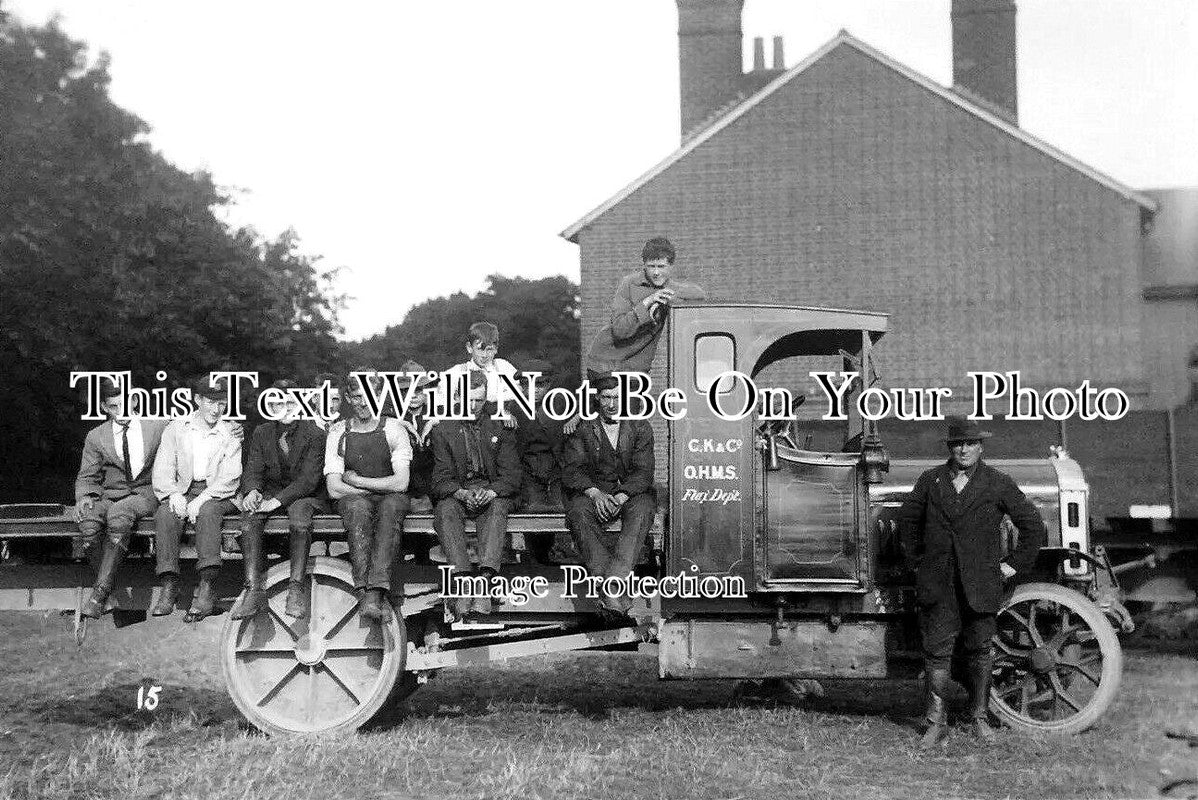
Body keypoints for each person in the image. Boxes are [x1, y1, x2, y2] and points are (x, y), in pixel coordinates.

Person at [897, 416, 1046, 748]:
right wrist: (918, 564)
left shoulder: (996, 482)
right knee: (937, 655)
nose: (963, 450)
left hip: (981, 585)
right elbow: (907, 522)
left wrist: (1012, 567)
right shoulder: (931, 481)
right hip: (939, 586)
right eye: (957, 444)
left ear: (981, 447)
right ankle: (936, 723)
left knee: (980, 652)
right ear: (950, 448)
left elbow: (1033, 525)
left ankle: (978, 717)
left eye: (970, 444)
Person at [230, 380, 328, 620]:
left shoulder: (315, 434)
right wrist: (253, 490)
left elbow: (309, 480)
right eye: (277, 403)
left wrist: (274, 502)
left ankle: (296, 588)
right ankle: (253, 590)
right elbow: (253, 468)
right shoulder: (262, 432)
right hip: (272, 492)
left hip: (307, 495)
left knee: (299, 519)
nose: (284, 408)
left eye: (291, 402)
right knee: (250, 516)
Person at [430, 370, 522, 618]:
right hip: (460, 492)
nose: (473, 406)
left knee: (498, 508)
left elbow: (512, 476)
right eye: (468, 400)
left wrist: (491, 492)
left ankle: (484, 580)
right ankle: (462, 582)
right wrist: (460, 493)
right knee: (445, 509)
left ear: (485, 399)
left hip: (492, 492)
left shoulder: (500, 426)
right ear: (458, 396)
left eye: (479, 401)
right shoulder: (444, 429)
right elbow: (440, 479)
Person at [561, 374, 656, 615]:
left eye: (616, 398)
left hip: (630, 494)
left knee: (644, 508)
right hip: (594, 491)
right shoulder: (582, 428)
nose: (612, 404)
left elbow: (644, 472)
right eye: (606, 398)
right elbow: (573, 470)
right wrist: (594, 493)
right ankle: (611, 586)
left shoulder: (640, 427)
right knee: (578, 511)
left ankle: (613, 582)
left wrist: (623, 495)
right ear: (597, 398)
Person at [73, 379, 168, 618]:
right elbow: (87, 476)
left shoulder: (158, 427)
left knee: (119, 514)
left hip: (145, 494)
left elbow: (192, 430)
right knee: (88, 520)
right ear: (105, 408)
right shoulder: (96, 436)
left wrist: (231, 428)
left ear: (135, 401)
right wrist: (85, 496)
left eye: (125, 404)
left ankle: (100, 593)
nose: (121, 411)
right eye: (114, 407)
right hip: (110, 495)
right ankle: (110, 595)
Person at [150, 376, 242, 621]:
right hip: (184, 488)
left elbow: (231, 477)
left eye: (221, 403)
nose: (216, 409)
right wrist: (173, 494)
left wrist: (201, 500)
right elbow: (163, 468)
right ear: (197, 399)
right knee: (166, 514)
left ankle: (207, 587)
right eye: (211, 402)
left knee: (209, 512)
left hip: (219, 493)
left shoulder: (230, 432)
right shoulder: (177, 429)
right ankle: (169, 584)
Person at [325, 373, 412, 623]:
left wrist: (359, 481)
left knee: (392, 506)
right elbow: (334, 487)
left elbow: (401, 482)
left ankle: (375, 591)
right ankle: (365, 591)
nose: (364, 404)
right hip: (354, 498)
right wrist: (372, 489)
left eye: (371, 398)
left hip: (387, 498)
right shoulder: (339, 432)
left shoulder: (393, 429)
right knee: (357, 507)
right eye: (358, 397)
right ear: (349, 399)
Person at [583, 236, 706, 378]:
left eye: (661, 266)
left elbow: (699, 294)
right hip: (605, 365)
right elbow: (619, 330)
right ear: (644, 265)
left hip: (636, 370)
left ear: (670, 266)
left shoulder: (669, 289)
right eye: (651, 266)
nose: (656, 272)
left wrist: (669, 295)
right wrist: (647, 302)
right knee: (618, 400)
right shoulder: (629, 284)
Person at [445, 322, 519, 428]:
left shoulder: (502, 367)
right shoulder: (457, 372)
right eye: (480, 349)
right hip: (468, 426)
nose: (484, 355)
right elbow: (444, 404)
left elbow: (519, 393)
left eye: (489, 349)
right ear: (469, 347)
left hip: (499, 427)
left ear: (496, 349)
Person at [515, 359, 565, 512]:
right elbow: (488, 407)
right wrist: (506, 415)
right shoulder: (513, 407)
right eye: (528, 385)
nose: (534, 390)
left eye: (540, 385)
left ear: (549, 385)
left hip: (557, 470)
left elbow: (588, 408)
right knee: (533, 511)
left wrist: (576, 419)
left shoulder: (560, 404)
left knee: (562, 511)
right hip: (528, 471)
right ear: (522, 387)